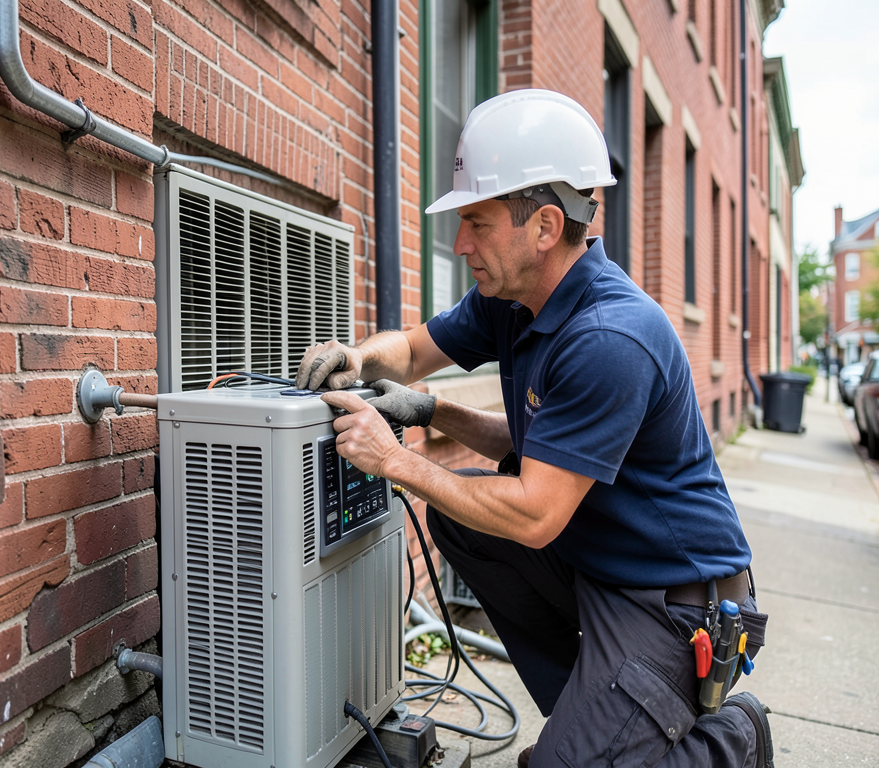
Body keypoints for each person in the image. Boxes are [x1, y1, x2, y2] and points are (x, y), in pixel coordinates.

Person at [297, 90, 772, 767]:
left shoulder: (609, 338)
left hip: (675, 601)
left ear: (545, 227)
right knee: (461, 518)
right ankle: (599, 706)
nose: (460, 245)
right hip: (602, 564)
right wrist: (366, 364)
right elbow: (414, 351)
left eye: (477, 224)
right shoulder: (512, 302)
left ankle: (730, 737)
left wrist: (396, 460)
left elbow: (537, 514)